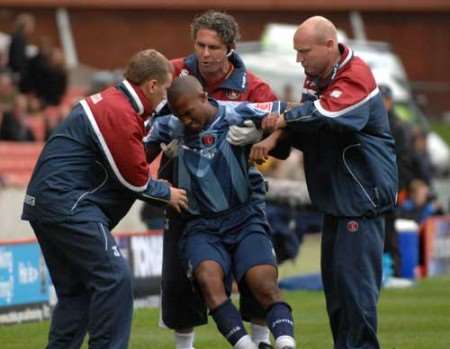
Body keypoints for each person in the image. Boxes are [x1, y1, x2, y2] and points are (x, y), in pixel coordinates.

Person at [228, 16, 398, 349]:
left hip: (359, 202)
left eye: (304, 51)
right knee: (337, 294)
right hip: (336, 201)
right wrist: (268, 135)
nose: (298, 59)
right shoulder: (316, 77)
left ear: (329, 45)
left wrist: (278, 117)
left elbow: (326, 115)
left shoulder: (356, 76)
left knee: (354, 295)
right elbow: (308, 127)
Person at [21, 49, 188, 349]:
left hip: (46, 204)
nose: (167, 96)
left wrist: (192, 62)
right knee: (114, 279)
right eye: (165, 89)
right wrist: (167, 193)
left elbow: (168, 67)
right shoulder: (119, 113)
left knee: (76, 294)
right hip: (69, 205)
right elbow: (133, 179)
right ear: (151, 86)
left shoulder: (115, 100)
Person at [155, 10, 278, 349]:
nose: (205, 54)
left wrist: (260, 137)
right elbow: (143, 109)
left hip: (240, 195)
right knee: (181, 274)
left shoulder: (253, 86)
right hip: (182, 193)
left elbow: (282, 124)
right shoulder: (172, 71)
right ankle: (184, 345)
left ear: (230, 48)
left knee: (256, 271)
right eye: (200, 45)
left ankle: (261, 340)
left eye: (213, 47)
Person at [147, 75, 296, 349]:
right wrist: (155, 175)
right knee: (208, 279)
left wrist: (269, 138)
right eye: (180, 116)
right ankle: (246, 346)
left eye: (189, 113)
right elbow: (133, 146)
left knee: (263, 284)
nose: (186, 121)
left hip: (244, 217)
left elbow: (291, 111)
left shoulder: (236, 112)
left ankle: (285, 342)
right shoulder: (170, 126)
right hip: (200, 225)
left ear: (203, 97)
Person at [8, 13, 35, 85]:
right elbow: (17, 60)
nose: (32, 28)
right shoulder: (19, 38)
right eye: (31, 25)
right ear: (25, 26)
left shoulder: (19, 37)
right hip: (16, 74)